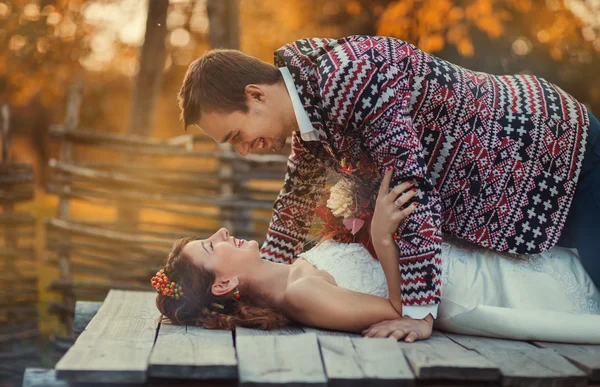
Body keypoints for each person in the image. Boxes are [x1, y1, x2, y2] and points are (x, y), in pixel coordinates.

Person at [177, 35, 598, 336]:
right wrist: (265, 285)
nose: (245, 151)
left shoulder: (349, 79)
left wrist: (418, 312)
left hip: (554, 149)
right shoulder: (310, 108)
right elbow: (295, 198)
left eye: (236, 136)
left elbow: (411, 184)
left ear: (256, 95)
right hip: (513, 176)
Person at [154, 170, 600, 343]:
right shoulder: (301, 294)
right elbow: (396, 311)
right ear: (225, 285)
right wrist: (383, 237)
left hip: (458, 263)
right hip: (469, 289)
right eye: (212, 246)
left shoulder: (292, 271)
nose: (222, 231)